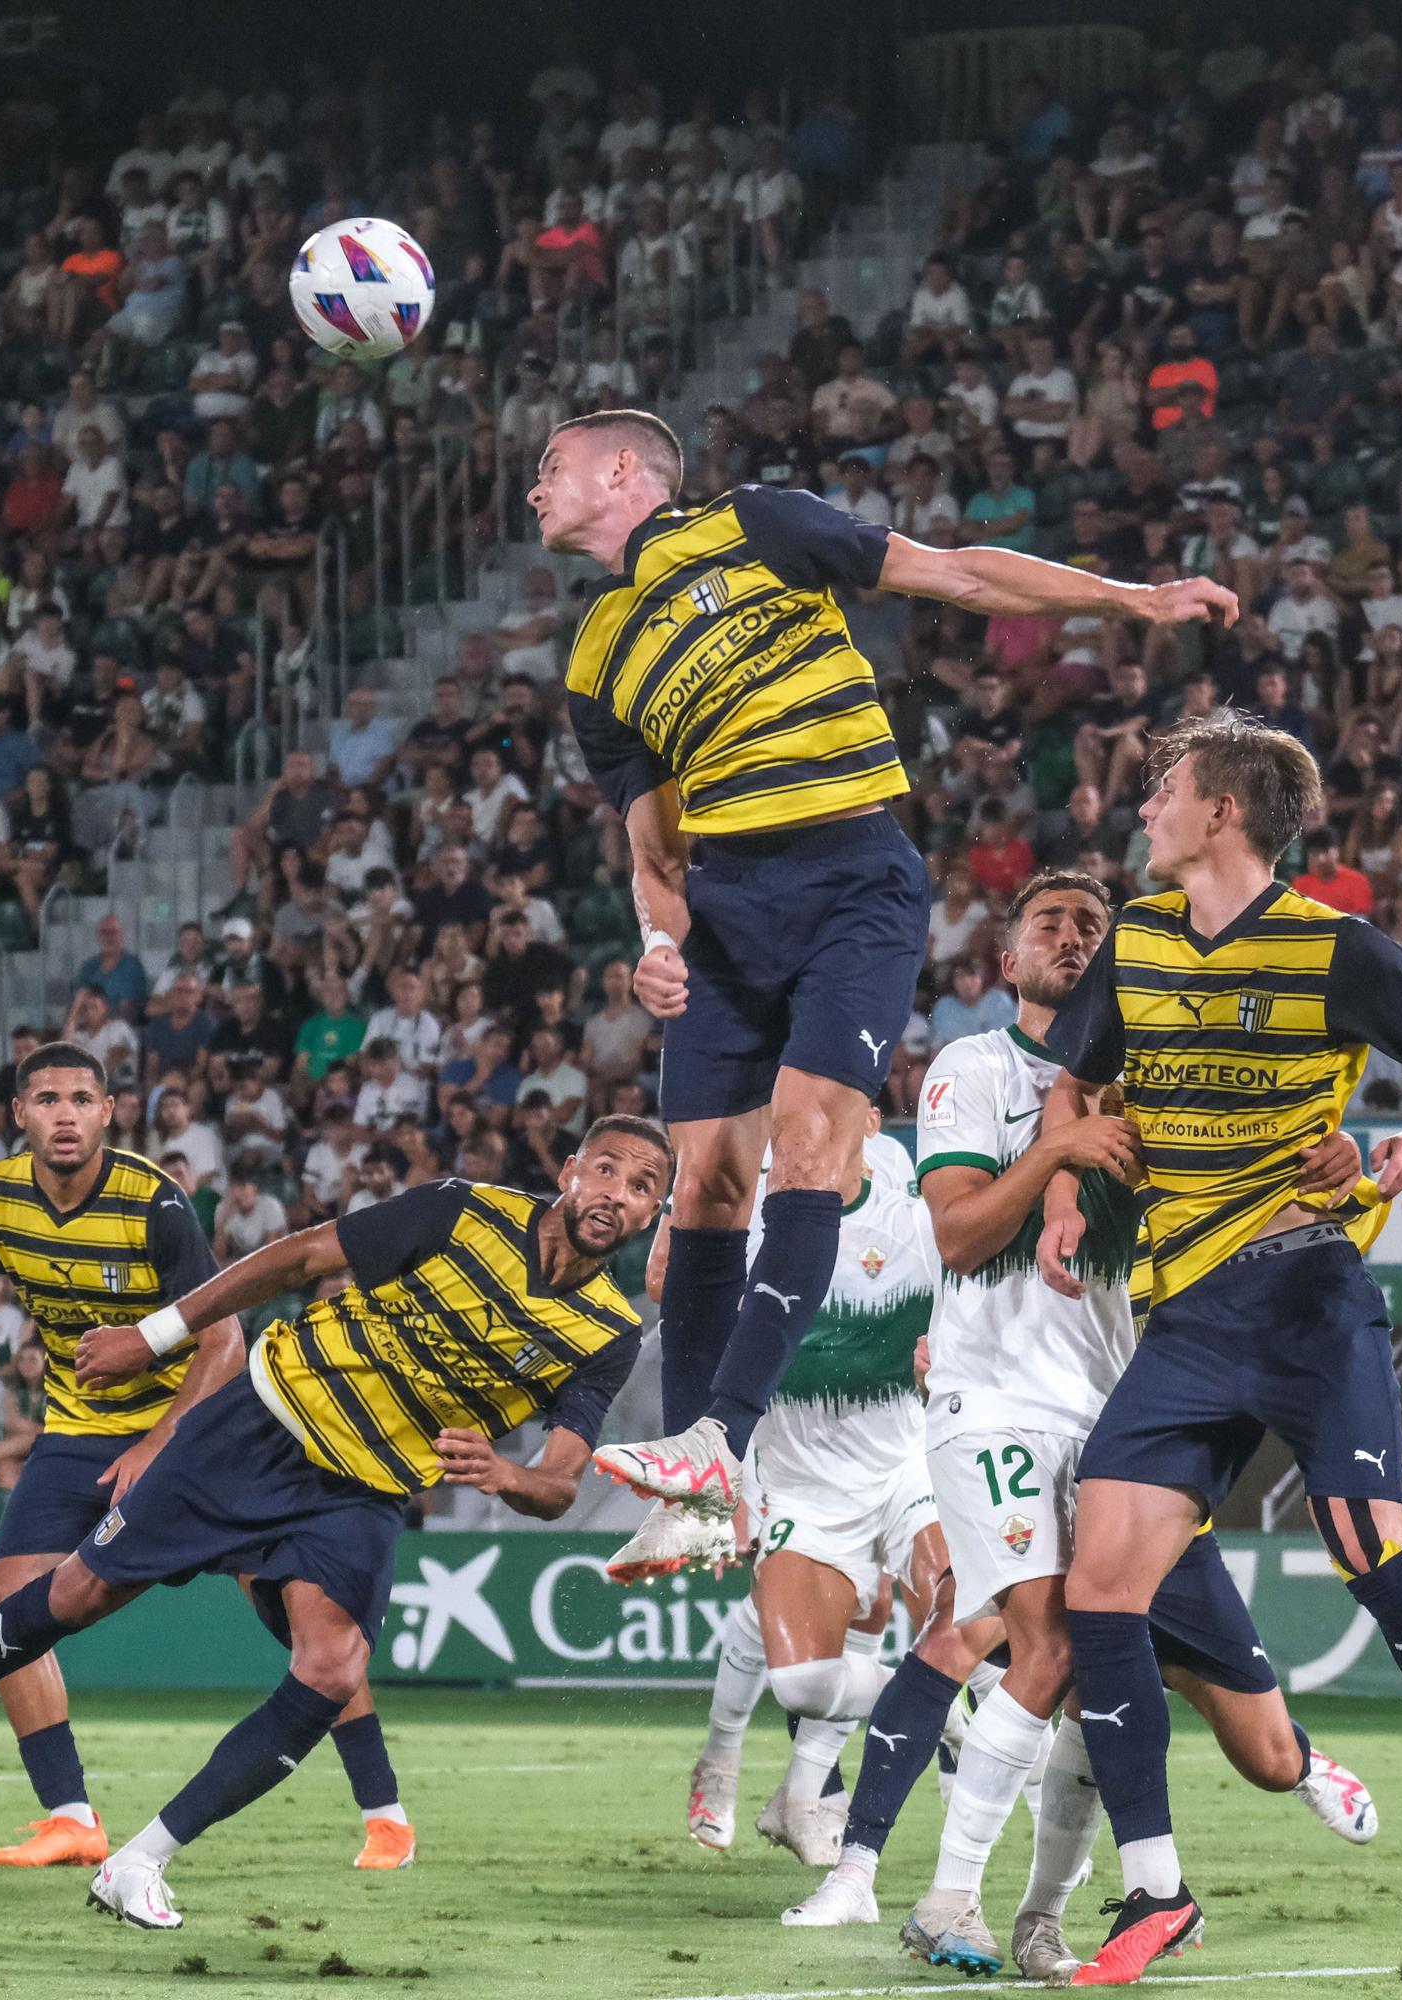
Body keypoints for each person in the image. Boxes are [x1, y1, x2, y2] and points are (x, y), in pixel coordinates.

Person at [526, 408, 1238, 1580]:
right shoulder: (595, 654)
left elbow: (950, 571)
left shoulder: (753, 522)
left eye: (548, 469)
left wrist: (1135, 598)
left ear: (620, 470)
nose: (533, 491)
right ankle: (708, 1488)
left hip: (849, 871)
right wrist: (656, 939)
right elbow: (653, 850)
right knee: (701, 1181)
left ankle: (717, 1436)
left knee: (810, 1146)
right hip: (725, 907)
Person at [0, 1117, 673, 1931]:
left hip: (363, 1490)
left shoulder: (608, 1331)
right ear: (570, 1171)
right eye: (606, 1170)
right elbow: (302, 1255)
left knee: (332, 1666)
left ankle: (140, 1862)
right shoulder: (467, 1210)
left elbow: (559, 1485)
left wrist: (508, 1475)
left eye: (642, 1188)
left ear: (653, 1215)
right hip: (265, 1420)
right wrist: (156, 1333)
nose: (617, 1195)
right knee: (78, 1594)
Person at [782, 873, 1375, 1977]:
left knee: (1244, 1737)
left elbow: (1268, 1179)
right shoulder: (972, 1068)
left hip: (1127, 1412)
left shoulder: (1158, 1081)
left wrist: (1349, 1156)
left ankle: (1271, 1775)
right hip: (993, 1398)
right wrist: (1052, 1153)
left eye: (1090, 926)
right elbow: (957, 1237)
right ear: (1006, 961)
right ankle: (950, 1897)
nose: (1070, 935)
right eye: (1045, 923)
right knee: (1049, 1641)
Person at [1034, 715, 1402, 1982]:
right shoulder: (1136, 939)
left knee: (1366, 1546)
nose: (1142, 806)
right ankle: (1155, 1892)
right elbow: (1071, 1087)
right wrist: (1058, 1181)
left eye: (1163, 790)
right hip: (1185, 1314)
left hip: (1305, 1287)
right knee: (1101, 1585)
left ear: (1222, 815)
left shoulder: (1335, 947)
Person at [0, 1042, 244, 1868]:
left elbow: (225, 1342)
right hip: (77, 1428)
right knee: (9, 1597)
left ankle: (378, 1798)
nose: (64, 1113)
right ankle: (72, 1817)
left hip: (190, 1427)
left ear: (109, 1112)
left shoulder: (155, 1202)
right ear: (19, 1115)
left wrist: (158, 1441)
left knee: (286, 1599)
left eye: (80, 1098)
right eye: (46, 1099)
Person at [681, 1108, 945, 1865]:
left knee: (943, 1604)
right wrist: (722, 1477)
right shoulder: (742, 1219)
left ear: (867, 1119)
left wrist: (943, 1363)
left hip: (903, 1459)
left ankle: (804, 1794)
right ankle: (725, 1761)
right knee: (801, 1663)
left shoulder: (913, 1205)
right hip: (790, 1465)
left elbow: (971, 1307)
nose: (809, 1127)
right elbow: (689, 1318)